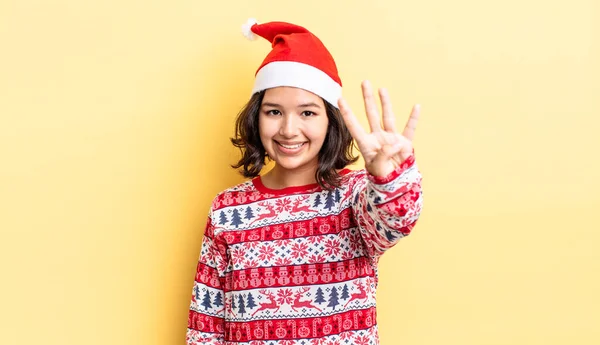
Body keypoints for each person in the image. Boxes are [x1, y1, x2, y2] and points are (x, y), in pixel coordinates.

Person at [186, 18, 423, 345]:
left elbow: (397, 220)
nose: (288, 129)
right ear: (256, 117)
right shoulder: (227, 209)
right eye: (273, 112)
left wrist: (386, 177)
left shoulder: (355, 197)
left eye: (307, 113)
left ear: (331, 120)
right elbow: (205, 323)